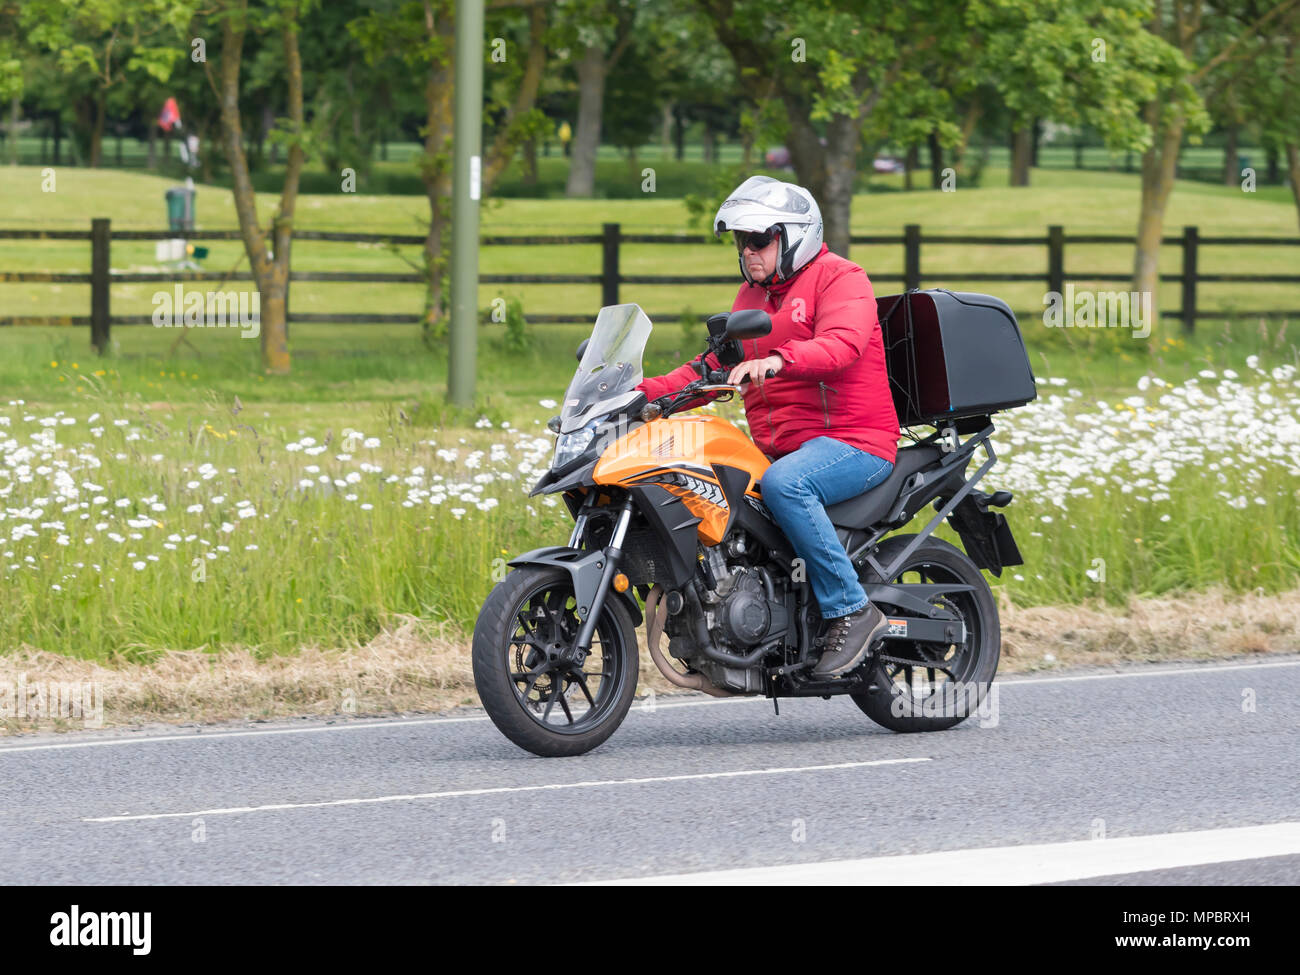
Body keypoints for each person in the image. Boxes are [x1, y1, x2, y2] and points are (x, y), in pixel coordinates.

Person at [636, 175, 901, 678]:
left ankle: (852, 610)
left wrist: (781, 360)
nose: (749, 251)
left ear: (796, 235)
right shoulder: (750, 298)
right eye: (742, 242)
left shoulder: (842, 278)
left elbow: (843, 343)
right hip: (782, 447)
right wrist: (641, 394)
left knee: (787, 484)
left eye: (760, 239)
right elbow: (712, 367)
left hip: (854, 442)